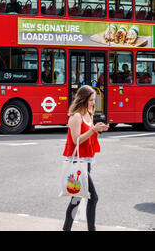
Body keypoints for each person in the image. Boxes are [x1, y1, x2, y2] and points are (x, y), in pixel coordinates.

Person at [62, 85, 109, 231]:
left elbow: (88, 135)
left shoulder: (89, 113)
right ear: (83, 99)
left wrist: (98, 130)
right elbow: (76, 140)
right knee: (92, 197)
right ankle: (91, 229)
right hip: (77, 161)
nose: (93, 103)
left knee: (77, 198)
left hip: (86, 160)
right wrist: (93, 130)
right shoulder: (76, 116)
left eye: (94, 100)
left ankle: (66, 228)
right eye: (90, 100)